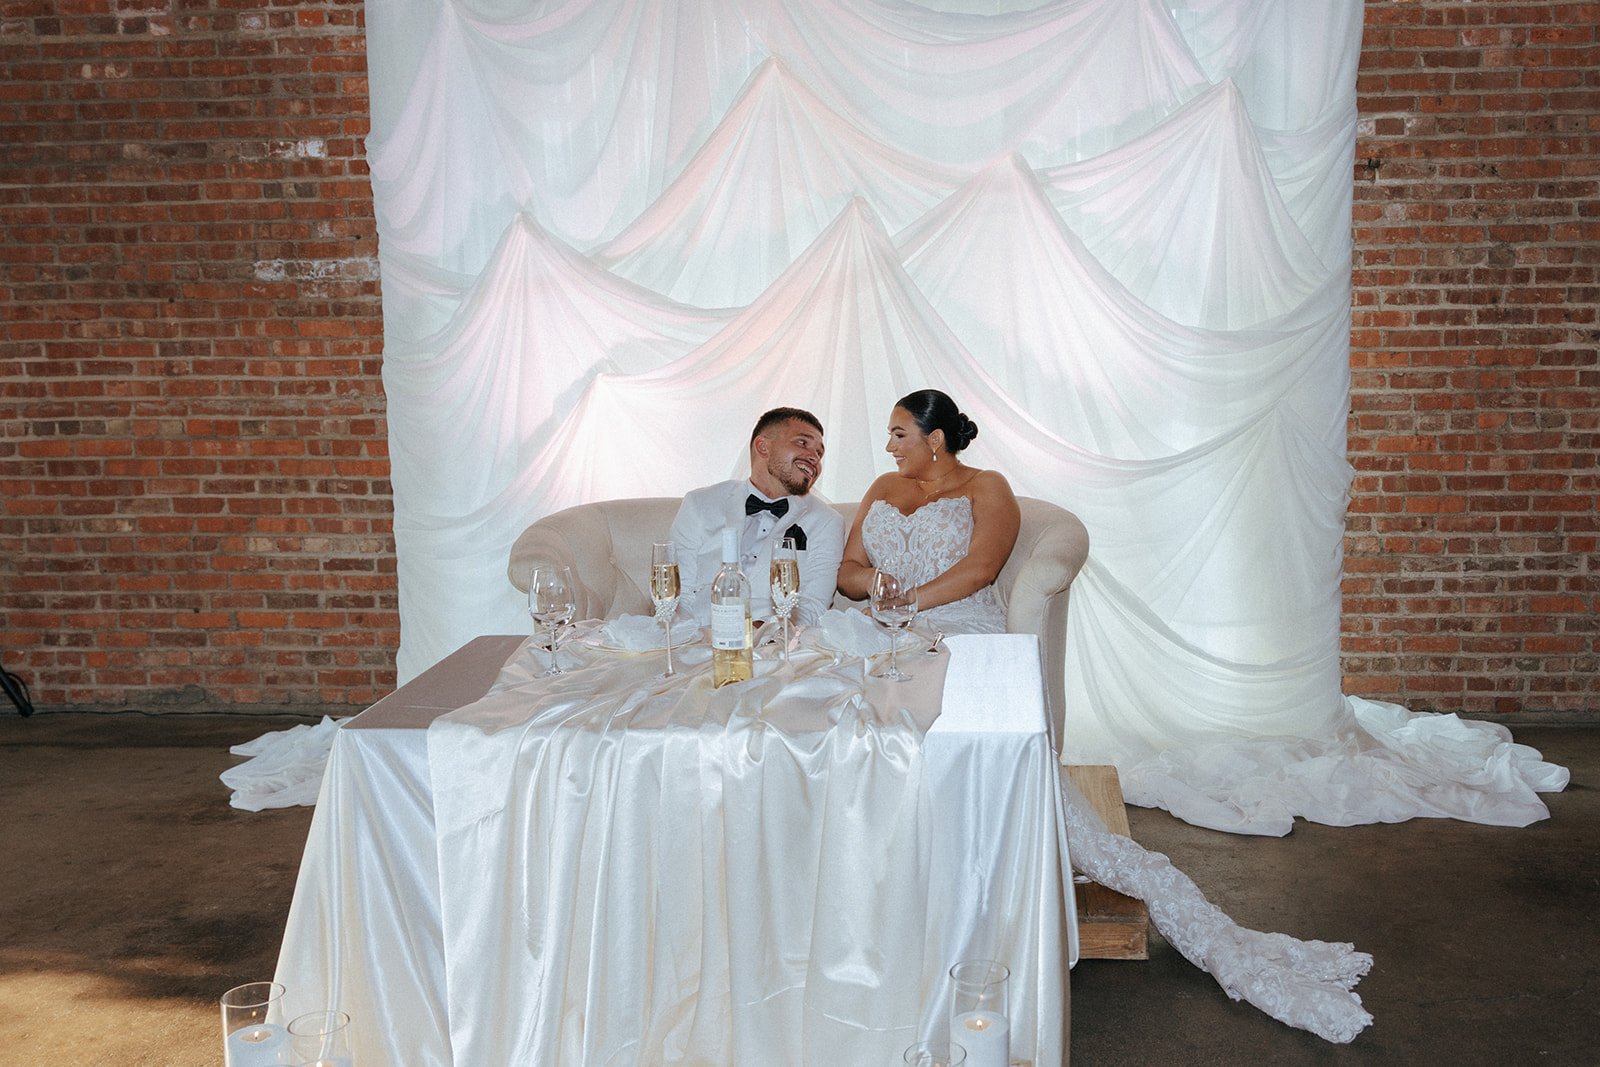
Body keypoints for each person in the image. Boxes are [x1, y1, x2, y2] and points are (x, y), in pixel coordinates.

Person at [836, 388, 1018, 634]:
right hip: (884, 622)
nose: (890, 447)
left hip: (958, 621)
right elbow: (848, 569)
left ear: (934, 439)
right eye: (890, 436)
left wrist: (908, 602)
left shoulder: (986, 484)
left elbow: (982, 568)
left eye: (899, 435)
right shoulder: (883, 486)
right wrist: (870, 579)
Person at [670, 406, 846, 629]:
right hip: (698, 638)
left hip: (776, 646)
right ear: (762, 446)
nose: (814, 458)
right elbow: (679, 594)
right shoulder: (699, 503)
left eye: (819, 453)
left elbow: (814, 606)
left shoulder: (827, 521)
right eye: (803, 443)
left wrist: (768, 632)